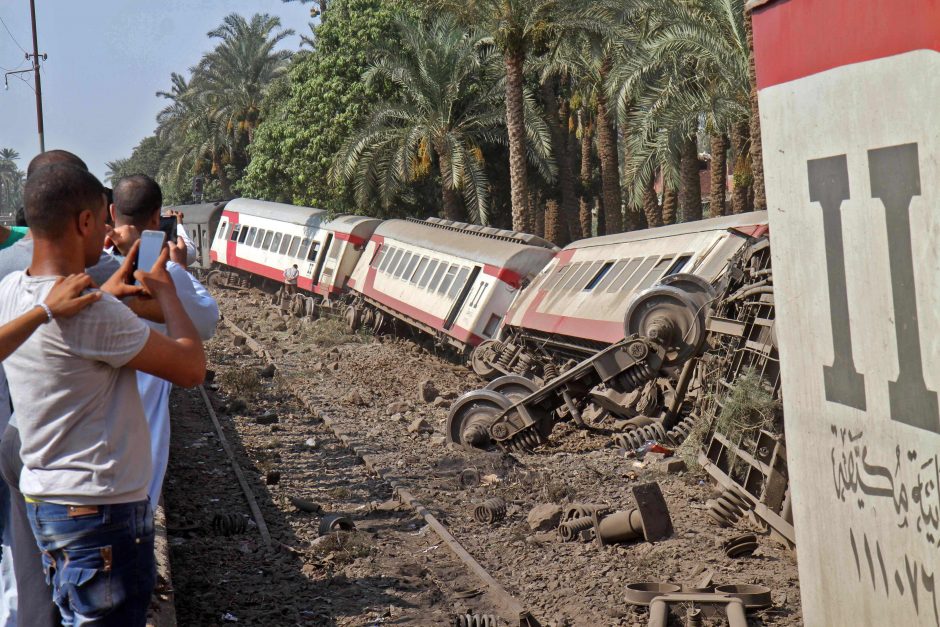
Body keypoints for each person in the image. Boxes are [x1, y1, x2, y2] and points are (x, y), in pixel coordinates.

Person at [0, 163, 205, 626]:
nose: (110, 231)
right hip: (101, 515)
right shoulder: (93, 317)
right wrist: (167, 290)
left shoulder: (16, 293)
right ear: (85, 222)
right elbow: (191, 367)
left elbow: (76, 320)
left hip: (50, 503)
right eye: (103, 219)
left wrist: (106, 294)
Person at [110, 174, 218, 504]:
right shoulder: (165, 275)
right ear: (156, 217)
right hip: (135, 458)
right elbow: (206, 322)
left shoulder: (83, 273)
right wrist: (179, 271)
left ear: (112, 213)